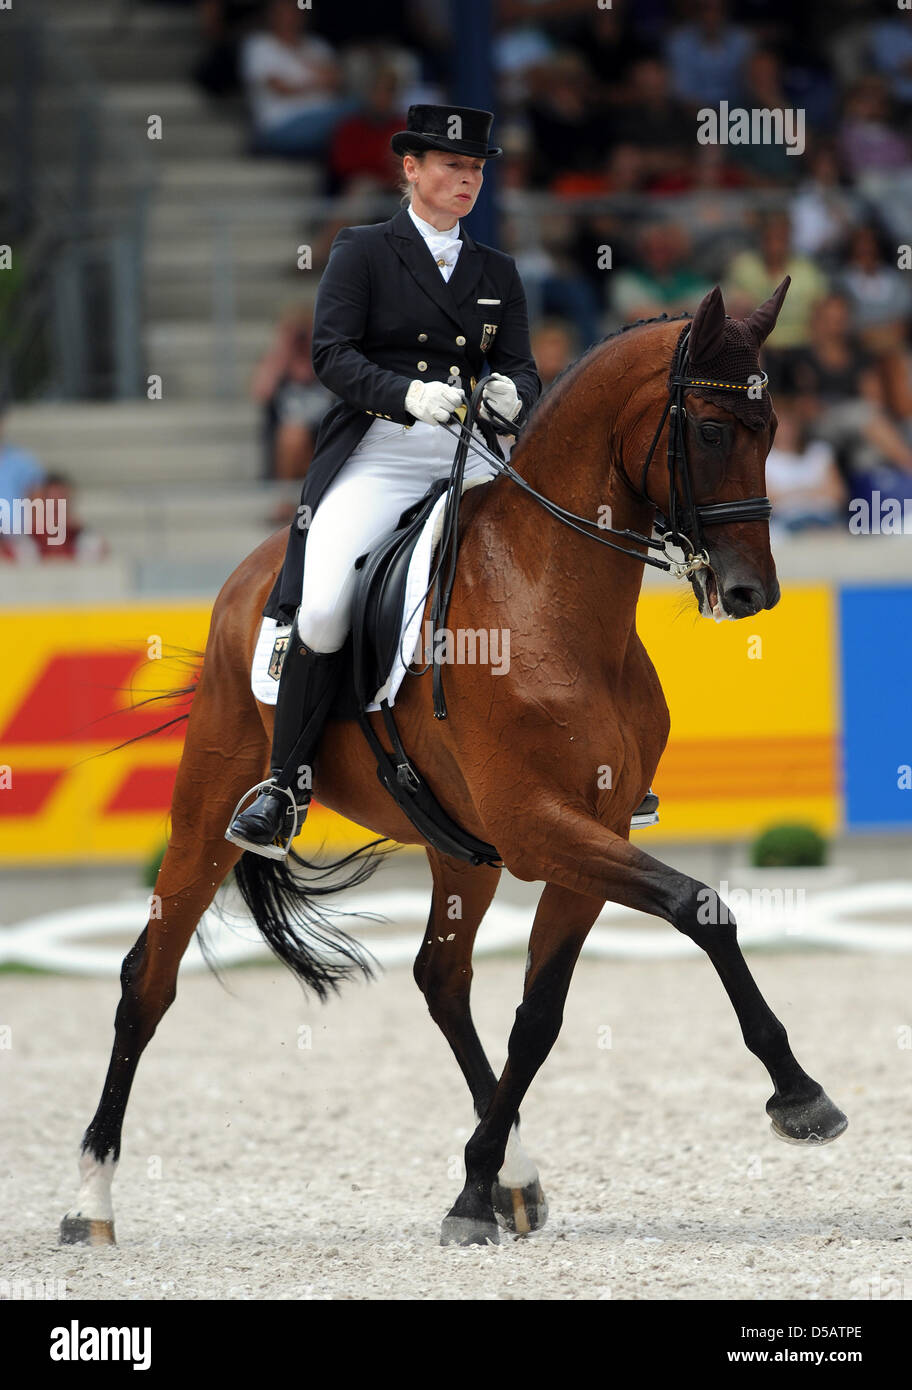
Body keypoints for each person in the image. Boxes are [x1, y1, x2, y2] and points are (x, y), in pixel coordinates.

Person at [227, 104, 541, 856]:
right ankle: (285, 784)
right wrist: (406, 395)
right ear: (410, 168)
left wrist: (514, 394)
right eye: (451, 166)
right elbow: (332, 355)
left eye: (475, 170)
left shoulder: (497, 270)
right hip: (383, 449)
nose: (466, 180)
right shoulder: (362, 250)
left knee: (558, 571)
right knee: (329, 602)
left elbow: (522, 365)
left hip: (473, 454)